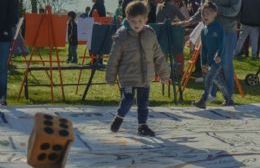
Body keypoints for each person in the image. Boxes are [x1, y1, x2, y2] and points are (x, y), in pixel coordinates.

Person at [106, 1, 170, 136]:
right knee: (128, 99)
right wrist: (111, 76)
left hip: (145, 76)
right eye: (133, 21)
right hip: (127, 76)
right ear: (127, 19)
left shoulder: (150, 34)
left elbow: (158, 55)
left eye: (140, 21)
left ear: (146, 19)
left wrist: (164, 74)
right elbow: (114, 58)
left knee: (143, 103)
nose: (136, 24)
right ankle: (119, 117)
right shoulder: (122, 36)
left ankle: (142, 126)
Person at [177, 0, 241, 101]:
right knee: (211, 64)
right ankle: (212, 94)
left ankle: (229, 96)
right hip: (211, 31)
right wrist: (189, 21)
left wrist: (215, 9)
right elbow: (203, 8)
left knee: (226, 65)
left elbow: (234, 11)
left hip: (227, 32)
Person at [194, 2, 234, 109]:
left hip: (218, 60)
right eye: (203, 13)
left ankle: (203, 100)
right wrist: (204, 64)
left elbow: (222, 43)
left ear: (215, 14)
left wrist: (219, 55)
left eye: (207, 13)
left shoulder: (218, 27)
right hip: (210, 61)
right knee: (219, 81)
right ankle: (229, 99)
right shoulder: (203, 31)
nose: (204, 16)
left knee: (209, 78)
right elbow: (204, 50)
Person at [0, 0, 18, 106]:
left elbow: (14, 17)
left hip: (4, 37)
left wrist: (4, 28)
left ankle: (2, 97)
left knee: (2, 68)